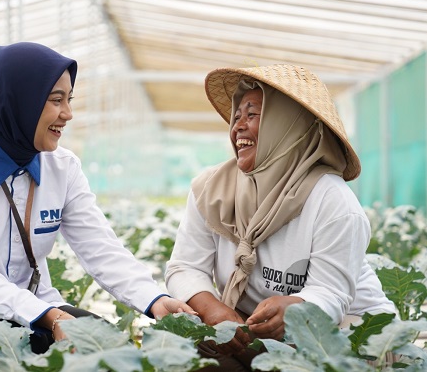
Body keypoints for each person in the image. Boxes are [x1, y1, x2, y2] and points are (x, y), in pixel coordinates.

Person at [0, 42, 195, 352]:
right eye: (56, 100)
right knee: (11, 351)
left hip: (41, 309)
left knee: (108, 347)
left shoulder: (63, 167)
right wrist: (50, 316)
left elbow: (100, 248)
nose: (68, 114)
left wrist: (154, 299)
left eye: (69, 100)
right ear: (19, 102)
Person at [165, 64, 396, 370]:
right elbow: (184, 266)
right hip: (257, 336)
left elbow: (331, 294)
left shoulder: (332, 201)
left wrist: (297, 308)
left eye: (253, 115)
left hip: (348, 334)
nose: (238, 127)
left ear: (288, 126)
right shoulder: (211, 189)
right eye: (237, 116)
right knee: (183, 351)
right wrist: (215, 311)